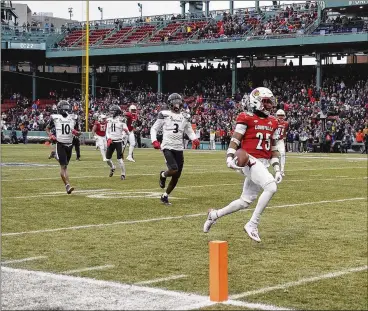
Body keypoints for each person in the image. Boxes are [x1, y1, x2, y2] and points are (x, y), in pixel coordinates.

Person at [203, 87, 282, 243]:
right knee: (271, 186)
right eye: (265, 102)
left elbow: (273, 149)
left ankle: (214, 215)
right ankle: (252, 224)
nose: (269, 105)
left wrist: (278, 169)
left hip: (263, 163)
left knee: (244, 201)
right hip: (249, 159)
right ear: (256, 102)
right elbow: (235, 139)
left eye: (270, 102)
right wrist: (229, 157)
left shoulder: (273, 121)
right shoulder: (246, 117)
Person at [150, 93, 200, 205]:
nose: (177, 105)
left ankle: (165, 196)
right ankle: (162, 175)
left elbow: (188, 130)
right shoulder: (164, 114)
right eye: (175, 102)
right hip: (167, 146)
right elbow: (154, 128)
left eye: (178, 102)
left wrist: (194, 138)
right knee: (173, 169)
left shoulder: (185, 116)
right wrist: (154, 140)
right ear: (170, 103)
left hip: (179, 147)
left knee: (176, 176)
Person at [46, 100, 80, 194]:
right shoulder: (55, 118)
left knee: (65, 166)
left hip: (70, 144)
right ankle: (67, 186)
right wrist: (50, 135)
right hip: (60, 144)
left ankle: (55, 155)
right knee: (63, 167)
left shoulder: (73, 118)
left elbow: (79, 132)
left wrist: (77, 133)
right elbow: (47, 128)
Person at [105, 105, 129, 180]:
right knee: (107, 159)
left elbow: (126, 131)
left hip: (119, 141)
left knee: (119, 159)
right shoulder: (109, 120)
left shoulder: (122, 120)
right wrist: (108, 138)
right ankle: (112, 167)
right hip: (111, 141)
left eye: (113, 111)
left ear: (117, 112)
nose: (111, 113)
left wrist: (123, 135)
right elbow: (107, 131)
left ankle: (123, 174)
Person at [275, 109, 288, 176]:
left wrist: (283, 137)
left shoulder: (286, 123)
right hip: (273, 141)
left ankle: (282, 170)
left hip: (280, 140)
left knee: (282, 154)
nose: (281, 117)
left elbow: (285, 132)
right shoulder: (273, 122)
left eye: (282, 115)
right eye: (279, 115)